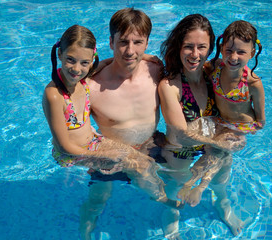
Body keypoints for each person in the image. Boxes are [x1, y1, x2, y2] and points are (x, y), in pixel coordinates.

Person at [42, 25, 175, 239]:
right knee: (139, 165)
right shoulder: (54, 95)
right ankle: (162, 199)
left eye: (84, 62)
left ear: (91, 61)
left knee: (103, 192)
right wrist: (101, 155)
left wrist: (143, 56)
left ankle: (86, 230)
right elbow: (63, 146)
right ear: (59, 54)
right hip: (73, 153)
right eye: (70, 60)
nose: (76, 68)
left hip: (93, 142)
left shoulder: (83, 81)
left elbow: (104, 63)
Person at [79, 8, 171, 240]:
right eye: (123, 42)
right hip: (111, 156)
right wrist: (97, 154)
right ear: (110, 42)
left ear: (147, 42)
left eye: (138, 42)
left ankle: (171, 225)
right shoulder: (91, 87)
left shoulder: (157, 70)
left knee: (170, 185)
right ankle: (85, 235)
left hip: (151, 146)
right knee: (97, 200)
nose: (130, 51)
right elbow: (78, 132)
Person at [158, 14, 249, 237]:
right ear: (178, 46)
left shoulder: (214, 74)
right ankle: (172, 214)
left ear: (210, 49)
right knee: (175, 186)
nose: (195, 54)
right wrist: (217, 141)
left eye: (202, 47)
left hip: (211, 145)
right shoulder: (170, 86)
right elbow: (180, 132)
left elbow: (240, 97)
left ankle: (223, 204)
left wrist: (238, 133)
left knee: (221, 179)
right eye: (188, 46)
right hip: (180, 149)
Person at [178, 20, 266, 209]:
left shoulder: (252, 83)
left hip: (239, 127)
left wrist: (254, 128)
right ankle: (193, 184)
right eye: (229, 50)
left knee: (218, 151)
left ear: (252, 53)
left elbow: (261, 117)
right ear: (221, 47)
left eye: (241, 52)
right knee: (210, 148)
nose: (233, 57)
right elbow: (193, 64)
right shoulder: (215, 69)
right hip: (219, 121)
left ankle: (198, 186)